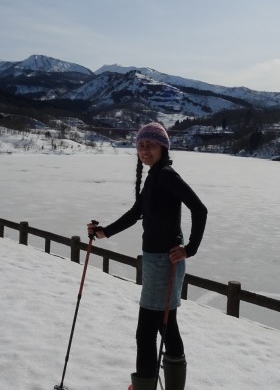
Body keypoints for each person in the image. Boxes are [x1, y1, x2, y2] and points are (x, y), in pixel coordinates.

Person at [87, 122, 208, 390]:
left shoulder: (165, 175)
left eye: (149, 145)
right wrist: (104, 232)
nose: (144, 150)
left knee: (146, 332)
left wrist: (190, 248)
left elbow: (200, 210)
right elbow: (136, 212)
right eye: (140, 145)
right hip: (159, 262)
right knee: (167, 326)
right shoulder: (155, 176)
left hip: (165, 263)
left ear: (162, 147)